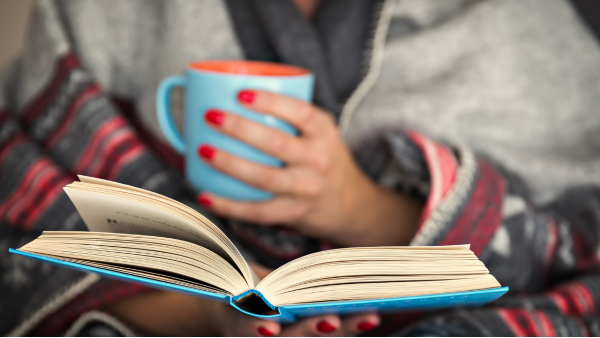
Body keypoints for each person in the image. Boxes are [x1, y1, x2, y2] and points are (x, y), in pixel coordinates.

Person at [2, 0, 600, 336]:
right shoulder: (96, 14)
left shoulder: (536, 25)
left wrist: (361, 207)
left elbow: (582, 248)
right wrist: (207, 312)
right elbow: (30, 220)